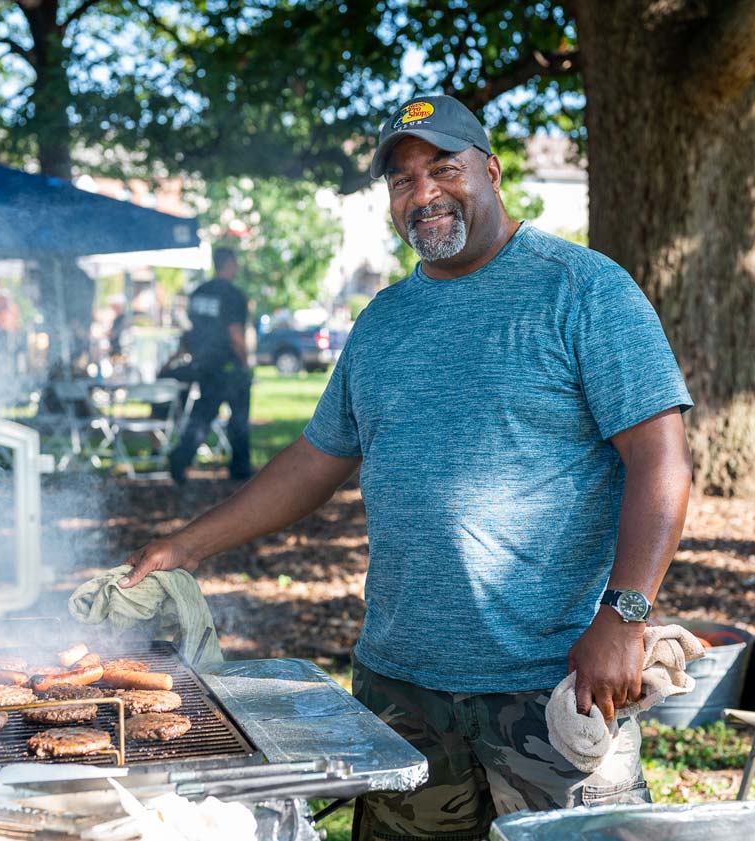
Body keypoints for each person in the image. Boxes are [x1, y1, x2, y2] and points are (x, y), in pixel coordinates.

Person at [119, 95, 692, 838]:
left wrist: (626, 614)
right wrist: (185, 546)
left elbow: (663, 460)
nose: (421, 194)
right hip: (403, 690)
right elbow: (314, 461)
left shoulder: (583, 289)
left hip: (554, 683)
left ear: (489, 171)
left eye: (442, 168)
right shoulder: (384, 320)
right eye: (400, 180)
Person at [165, 247, 252, 483]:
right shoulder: (233, 295)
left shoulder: (199, 293)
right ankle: (240, 468)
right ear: (230, 263)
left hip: (205, 364)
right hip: (229, 366)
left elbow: (193, 331)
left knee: (203, 414)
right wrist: (245, 364)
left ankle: (181, 456)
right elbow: (235, 333)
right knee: (239, 418)